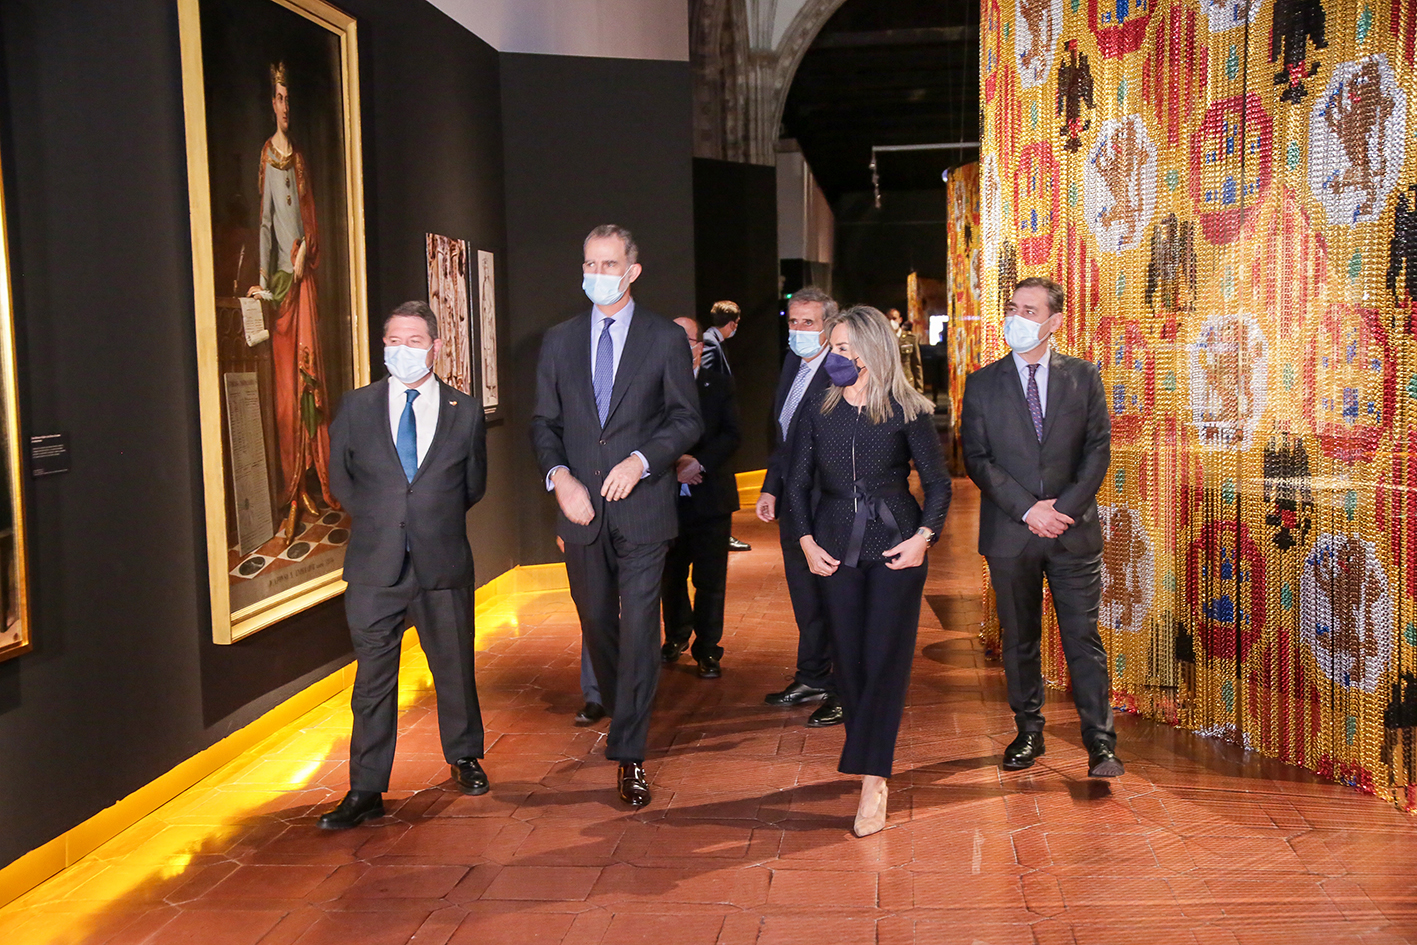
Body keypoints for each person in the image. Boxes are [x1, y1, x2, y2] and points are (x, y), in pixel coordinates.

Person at [531, 225, 702, 807]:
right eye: (588, 263)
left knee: (638, 629)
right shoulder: (558, 340)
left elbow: (685, 420)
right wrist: (560, 480)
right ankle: (620, 704)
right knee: (596, 620)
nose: (596, 273)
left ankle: (629, 753)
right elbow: (544, 426)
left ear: (632, 270)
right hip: (581, 513)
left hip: (645, 511)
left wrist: (641, 461)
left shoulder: (663, 339)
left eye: (608, 263)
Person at [318, 301, 489, 830]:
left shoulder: (465, 410)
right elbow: (339, 479)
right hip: (374, 567)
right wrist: (384, 517)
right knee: (372, 681)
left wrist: (425, 518)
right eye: (394, 339)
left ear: (436, 348)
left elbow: (472, 485)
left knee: (453, 667)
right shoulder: (357, 406)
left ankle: (464, 755)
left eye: (415, 340)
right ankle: (366, 787)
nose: (403, 349)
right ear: (383, 346)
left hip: (442, 562)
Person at [786, 305, 951, 838]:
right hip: (833, 544)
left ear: (873, 350)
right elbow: (796, 483)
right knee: (850, 662)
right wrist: (808, 542)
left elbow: (938, 484)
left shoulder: (908, 409)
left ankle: (872, 778)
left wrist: (924, 539)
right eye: (833, 347)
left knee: (885, 658)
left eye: (846, 347)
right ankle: (869, 759)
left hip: (895, 543)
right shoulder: (819, 406)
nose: (837, 356)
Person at [960, 277, 1122, 779]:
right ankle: (1028, 731)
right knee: (1020, 638)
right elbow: (978, 460)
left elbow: (1097, 451)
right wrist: (1030, 510)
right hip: (1012, 533)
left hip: (1072, 533)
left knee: (1083, 638)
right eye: (1013, 308)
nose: (1016, 318)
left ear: (1054, 322)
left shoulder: (1084, 377)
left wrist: (1062, 510)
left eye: (1029, 310)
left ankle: (1101, 742)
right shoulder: (983, 383)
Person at [247, 62, 337, 544]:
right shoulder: (268, 155)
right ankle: (292, 487)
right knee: (286, 395)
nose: (285, 107)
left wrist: (306, 255)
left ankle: (313, 481)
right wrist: (264, 279)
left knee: (310, 388)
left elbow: (311, 220)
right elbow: (265, 225)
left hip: (304, 286)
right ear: (270, 102)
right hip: (282, 287)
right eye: (278, 99)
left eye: (289, 99)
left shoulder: (299, 159)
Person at [756, 287, 843, 729]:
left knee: (835, 598)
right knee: (805, 596)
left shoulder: (843, 368)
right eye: (793, 321)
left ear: (829, 325)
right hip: (793, 502)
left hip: (829, 504)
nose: (798, 330)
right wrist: (771, 487)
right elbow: (784, 437)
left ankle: (843, 688)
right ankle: (812, 676)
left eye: (808, 323)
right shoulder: (794, 362)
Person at [661, 317, 742, 678]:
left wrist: (699, 463)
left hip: (711, 497)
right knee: (670, 575)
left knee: (711, 579)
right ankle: (676, 635)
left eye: (687, 340)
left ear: (699, 347)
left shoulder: (719, 383)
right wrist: (674, 461)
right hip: (665, 499)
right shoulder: (652, 383)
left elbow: (732, 434)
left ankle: (708, 648)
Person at [701, 300, 751, 553]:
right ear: (732, 323)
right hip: (713, 426)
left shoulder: (713, 341)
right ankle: (722, 535)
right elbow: (707, 381)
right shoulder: (710, 343)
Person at [887, 308, 925, 393]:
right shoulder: (882, 340)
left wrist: (919, 390)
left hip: (907, 384)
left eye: (894, 319)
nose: (891, 322)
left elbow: (916, 365)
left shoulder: (910, 339)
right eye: (888, 319)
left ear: (900, 320)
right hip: (890, 386)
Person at [700, 299, 740, 376]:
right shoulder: (710, 341)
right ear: (732, 324)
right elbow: (705, 375)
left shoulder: (716, 340)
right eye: (737, 321)